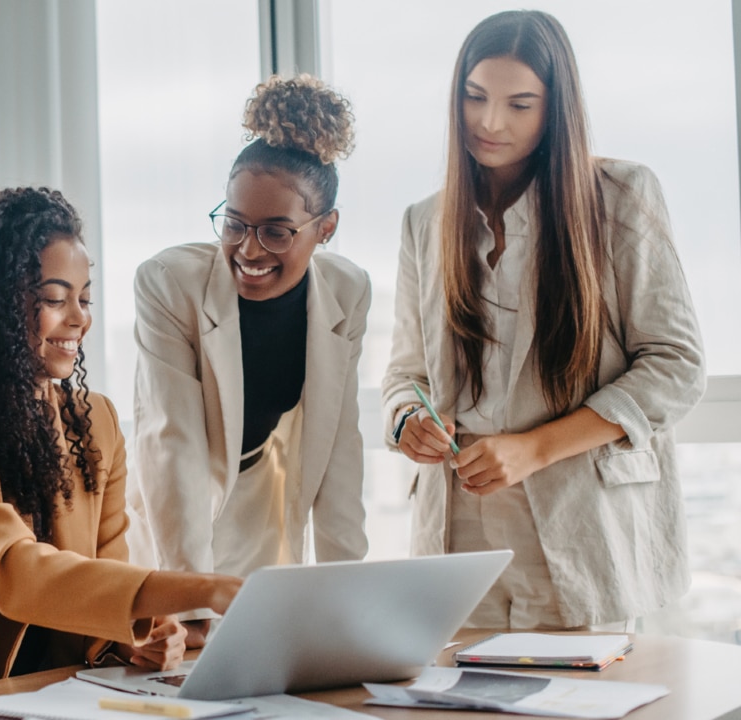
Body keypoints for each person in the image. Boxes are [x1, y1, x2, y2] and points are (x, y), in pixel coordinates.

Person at [383, 10, 706, 630]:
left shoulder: (621, 195)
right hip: (458, 541)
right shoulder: (425, 221)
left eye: (520, 104)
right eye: (474, 97)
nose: (490, 122)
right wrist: (407, 419)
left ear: (557, 108)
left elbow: (677, 366)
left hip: (582, 528)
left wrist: (534, 449)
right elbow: (406, 372)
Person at [0, 187, 242, 685]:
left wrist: (141, 635)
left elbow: (101, 584)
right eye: (55, 299)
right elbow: (13, 571)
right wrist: (202, 589)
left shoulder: (95, 424)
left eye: (85, 298)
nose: (79, 318)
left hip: (55, 697)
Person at [125, 75, 371, 643]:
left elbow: (340, 450)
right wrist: (189, 604)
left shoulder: (349, 291)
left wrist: (352, 602)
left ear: (325, 228)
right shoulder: (168, 284)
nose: (249, 250)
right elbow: (174, 446)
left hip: (263, 509)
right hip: (174, 520)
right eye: (234, 224)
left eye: (277, 232)